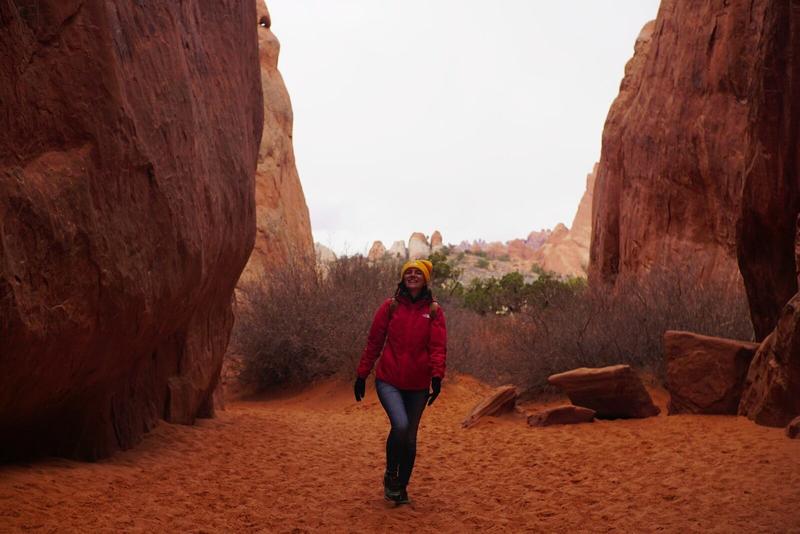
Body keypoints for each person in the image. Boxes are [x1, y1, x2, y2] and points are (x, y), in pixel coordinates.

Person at [354, 258, 447, 505]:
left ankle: (401, 488)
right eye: (409, 272)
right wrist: (362, 374)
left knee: (410, 438)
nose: (413, 275)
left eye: (418, 272)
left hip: (418, 385)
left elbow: (438, 347)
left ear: (425, 279)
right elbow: (374, 342)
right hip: (389, 380)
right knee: (401, 426)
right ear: (403, 277)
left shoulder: (434, 311)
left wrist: (437, 377)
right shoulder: (390, 307)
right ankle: (390, 474)